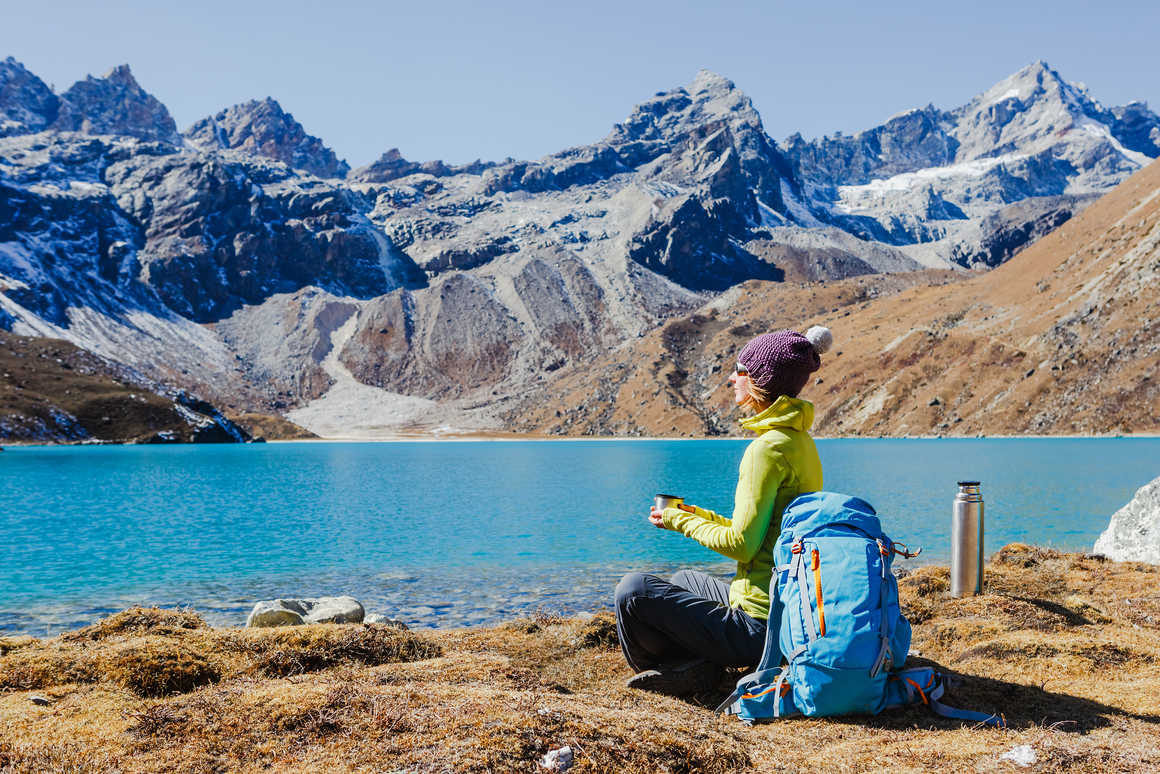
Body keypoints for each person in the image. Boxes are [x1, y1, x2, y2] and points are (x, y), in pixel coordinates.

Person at [614, 326, 831, 697]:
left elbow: (742, 545)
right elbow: (759, 533)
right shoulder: (798, 441)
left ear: (761, 380)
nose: (732, 377)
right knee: (684, 579)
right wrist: (697, 515)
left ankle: (684, 673)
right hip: (782, 613)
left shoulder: (765, 451)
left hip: (759, 628)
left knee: (632, 592)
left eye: (740, 370)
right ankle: (695, 664)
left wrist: (677, 519)